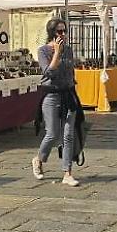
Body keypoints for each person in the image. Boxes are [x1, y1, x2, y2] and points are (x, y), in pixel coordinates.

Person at [34, 18, 82, 187]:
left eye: (64, 31)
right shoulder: (43, 51)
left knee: (68, 134)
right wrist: (56, 53)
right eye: (59, 31)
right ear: (52, 33)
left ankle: (67, 173)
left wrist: (73, 88)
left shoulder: (68, 50)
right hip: (51, 95)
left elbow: (70, 71)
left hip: (68, 94)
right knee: (53, 133)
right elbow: (48, 72)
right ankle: (39, 159)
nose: (63, 34)